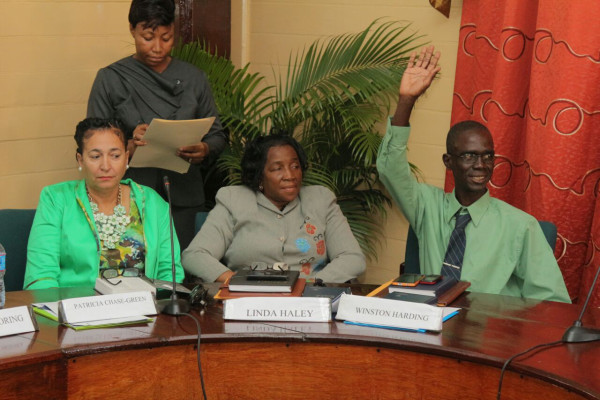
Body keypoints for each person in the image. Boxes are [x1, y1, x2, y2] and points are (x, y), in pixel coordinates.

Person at [376, 46, 570, 303]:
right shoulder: (426, 206)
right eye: (469, 156)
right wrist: (406, 100)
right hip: (431, 326)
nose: (481, 164)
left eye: (487, 156)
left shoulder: (521, 226)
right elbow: (390, 168)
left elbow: (552, 301)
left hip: (486, 334)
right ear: (449, 161)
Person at [87, 0, 227, 249]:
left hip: (183, 197)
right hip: (128, 196)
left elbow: (217, 135)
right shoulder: (111, 78)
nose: (157, 47)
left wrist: (203, 149)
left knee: (181, 271)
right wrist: (128, 146)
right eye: (148, 37)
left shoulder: (194, 77)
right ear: (132, 29)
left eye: (166, 37)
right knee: (132, 269)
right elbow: (93, 140)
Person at [23, 118, 184, 290]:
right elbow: (41, 277)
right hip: (77, 310)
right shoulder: (56, 199)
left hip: (145, 310)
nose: (105, 166)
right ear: (80, 159)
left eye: (115, 156)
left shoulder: (152, 201)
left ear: (126, 158)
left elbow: (170, 273)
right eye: (95, 156)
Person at [182, 134, 366, 283]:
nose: (290, 175)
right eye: (277, 168)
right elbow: (195, 255)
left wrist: (311, 284)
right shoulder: (234, 200)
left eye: (295, 166)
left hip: (310, 300)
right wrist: (237, 283)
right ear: (259, 176)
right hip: (248, 302)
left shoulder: (320, 200)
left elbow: (352, 258)